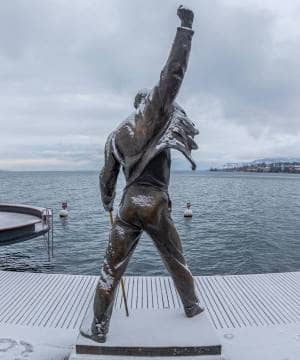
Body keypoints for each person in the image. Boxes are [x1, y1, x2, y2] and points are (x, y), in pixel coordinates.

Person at [82, 5, 203, 343]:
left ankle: (99, 327)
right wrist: (186, 29)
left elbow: (106, 177)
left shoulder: (115, 135)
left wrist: (107, 200)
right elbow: (172, 73)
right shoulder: (154, 115)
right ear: (147, 103)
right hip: (153, 204)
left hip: (126, 206)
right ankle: (191, 305)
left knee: (111, 269)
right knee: (175, 257)